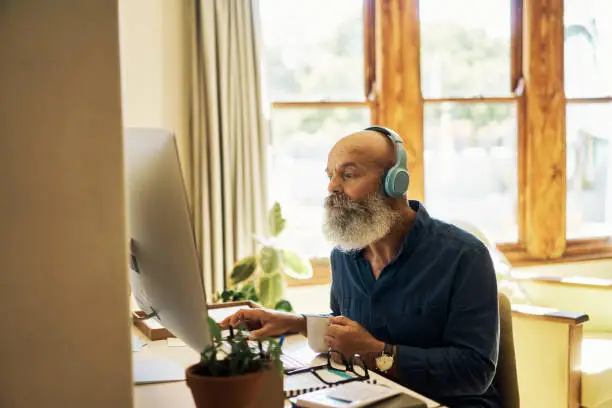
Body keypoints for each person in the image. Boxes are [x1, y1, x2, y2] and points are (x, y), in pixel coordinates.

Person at [220, 126, 500, 407]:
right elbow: (346, 327)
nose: (332, 186)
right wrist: (295, 323)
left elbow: (475, 371)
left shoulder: (465, 256)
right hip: (369, 397)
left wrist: (378, 353)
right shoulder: (344, 253)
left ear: (395, 182)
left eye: (348, 174)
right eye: (330, 175)